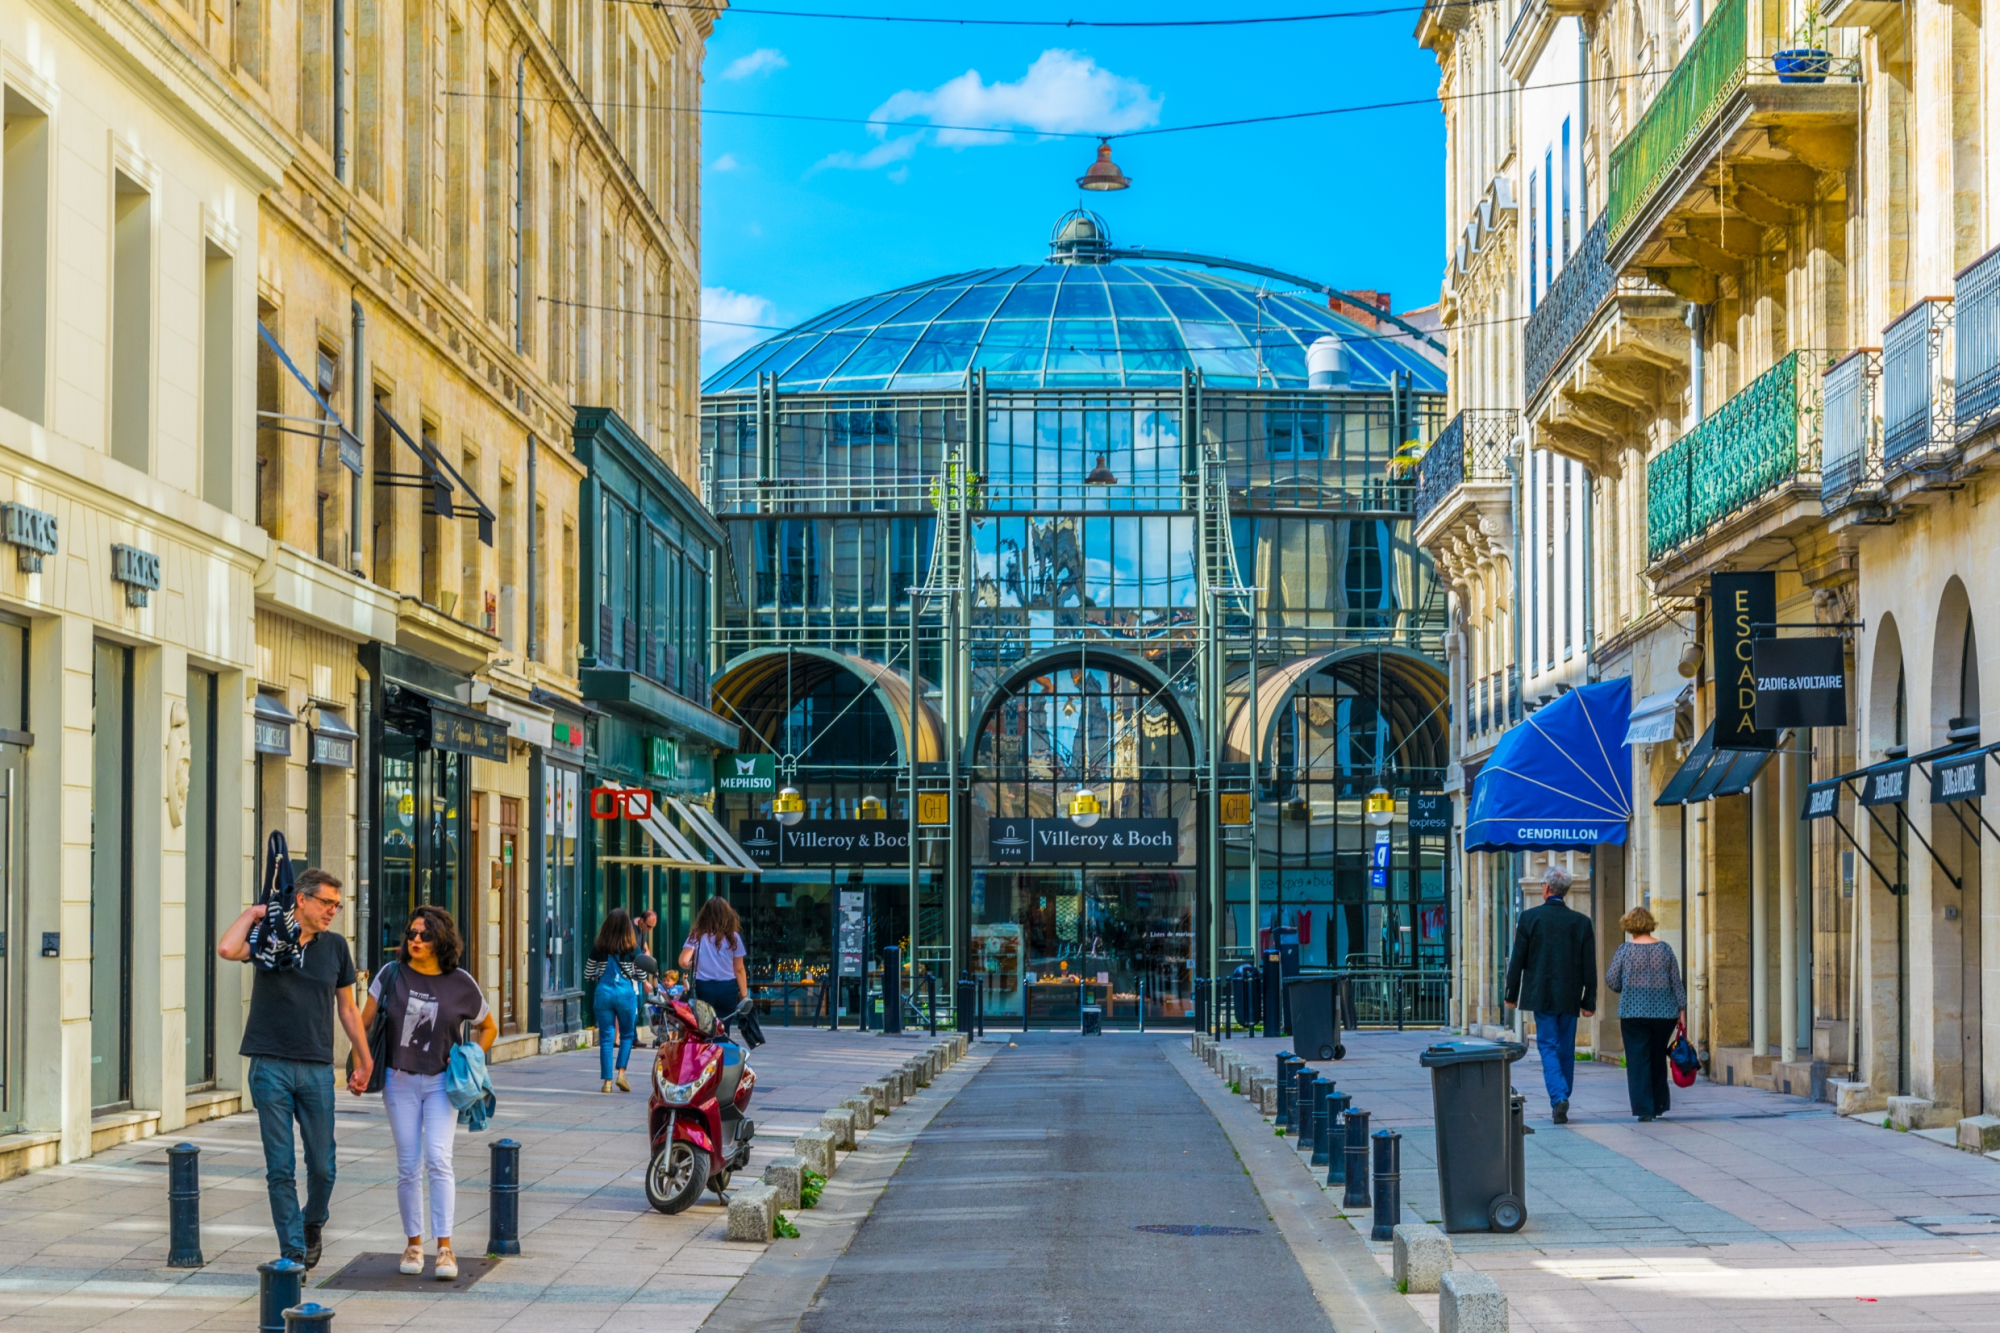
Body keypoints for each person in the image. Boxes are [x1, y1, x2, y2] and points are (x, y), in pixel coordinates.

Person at [217, 868, 370, 1270]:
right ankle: (293, 1253)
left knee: (323, 1165)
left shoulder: (335, 947)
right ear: (301, 900)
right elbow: (227, 950)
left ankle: (312, 1223)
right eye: (326, 903)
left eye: (337, 905)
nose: (333, 911)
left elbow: (348, 1008)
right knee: (280, 1166)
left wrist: (364, 1058)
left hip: (317, 1068)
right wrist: (254, 913)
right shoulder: (269, 938)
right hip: (269, 1066)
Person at [360, 906, 497, 1279]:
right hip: (398, 1079)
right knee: (408, 1164)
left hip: (440, 1081)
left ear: (442, 941)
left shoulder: (460, 982)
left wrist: (470, 1059)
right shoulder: (391, 974)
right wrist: (361, 1063)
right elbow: (363, 1024)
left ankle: (446, 1249)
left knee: (439, 1158)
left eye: (424, 935)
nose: (415, 940)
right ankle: (413, 1245)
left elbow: (488, 1027)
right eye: (412, 933)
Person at [1503, 865, 1596, 1124]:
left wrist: (1511, 993)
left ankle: (1558, 1097)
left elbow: (1518, 960)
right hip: (1569, 995)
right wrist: (1589, 1000)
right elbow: (1590, 965)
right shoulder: (1581, 922)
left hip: (1541, 993)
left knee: (1548, 1046)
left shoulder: (1530, 918)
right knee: (1566, 1048)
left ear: (1546, 888)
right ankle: (1562, 1095)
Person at [1604, 907, 1686, 1122]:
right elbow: (1676, 982)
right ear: (1650, 924)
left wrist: (1628, 986)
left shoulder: (1624, 950)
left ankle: (1644, 1108)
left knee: (1638, 1060)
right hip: (1664, 1013)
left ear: (1629, 926)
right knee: (1657, 1057)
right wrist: (1682, 1010)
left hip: (1633, 1012)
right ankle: (1659, 1104)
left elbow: (1612, 980)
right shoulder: (1665, 949)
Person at [586, 909, 653, 1093]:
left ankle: (607, 1082)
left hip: (604, 993)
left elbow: (588, 974)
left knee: (607, 1039)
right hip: (625, 995)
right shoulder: (632, 948)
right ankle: (621, 1074)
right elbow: (640, 975)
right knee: (627, 1036)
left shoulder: (598, 947)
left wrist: (601, 975)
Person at [680, 895, 748, 1020]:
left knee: (705, 1026)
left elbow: (683, 961)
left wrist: (695, 964)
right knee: (723, 1026)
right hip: (728, 987)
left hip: (704, 987)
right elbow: (739, 969)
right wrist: (744, 996)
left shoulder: (696, 936)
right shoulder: (733, 937)